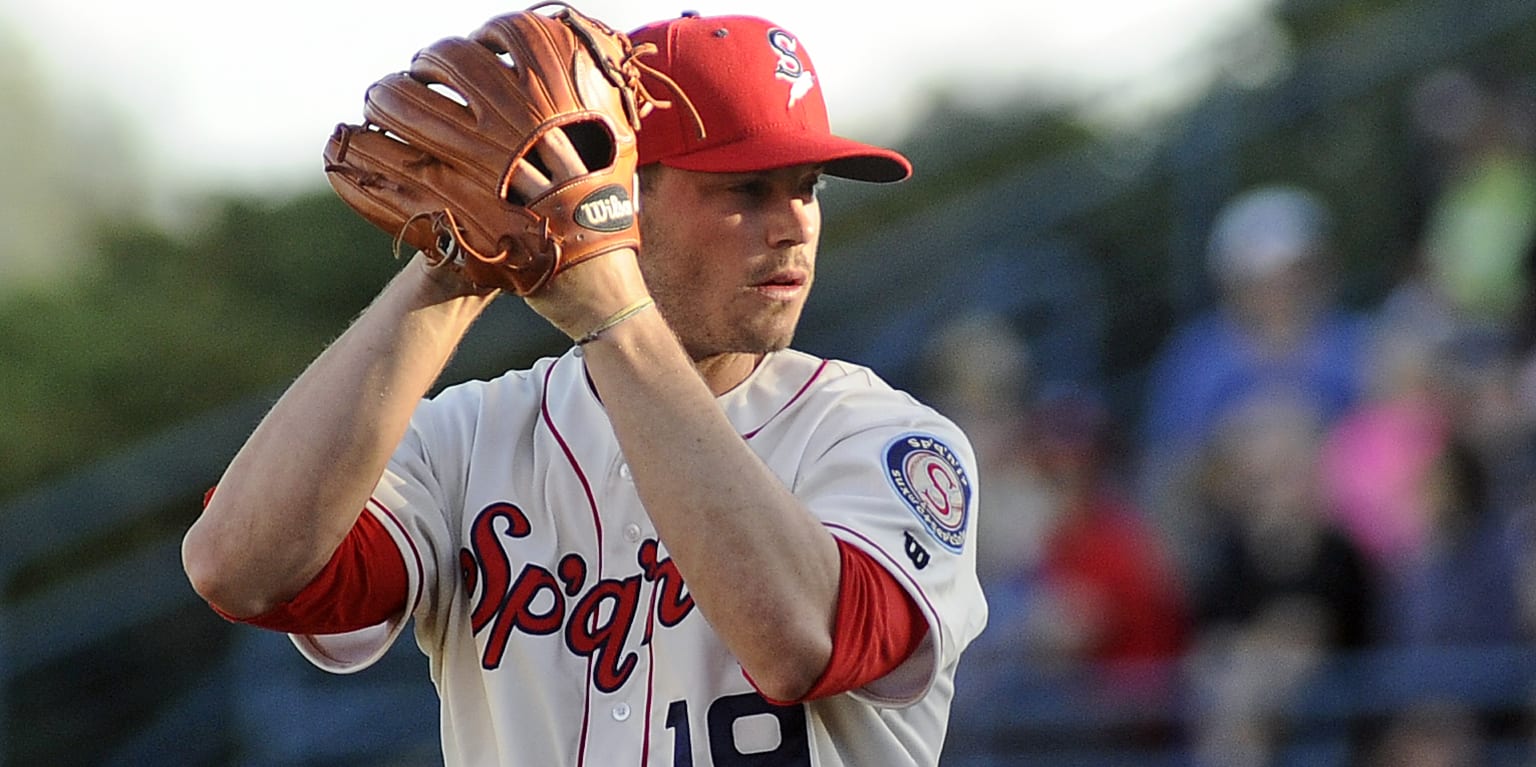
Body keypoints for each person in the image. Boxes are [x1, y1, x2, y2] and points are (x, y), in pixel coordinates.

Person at [180, 9, 987, 767]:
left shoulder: (881, 441)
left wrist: (614, 313)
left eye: (805, 186)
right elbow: (237, 565)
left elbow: (796, 641)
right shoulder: (469, 438)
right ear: (625, 195)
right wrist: (449, 268)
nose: (793, 223)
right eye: (745, 190)